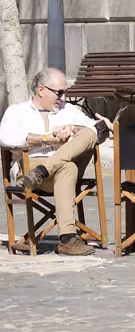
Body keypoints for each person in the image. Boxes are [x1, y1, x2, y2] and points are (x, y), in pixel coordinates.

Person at [0, 68, 100, 256]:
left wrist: (73, 129)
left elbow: (94, 130)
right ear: (41, 89)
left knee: (88, 134)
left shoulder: (68, 110)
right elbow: (5, 138)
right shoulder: (17, 111)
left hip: (53, 172)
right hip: (29, 171)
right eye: (59, 92)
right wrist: (47, 138)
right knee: (67, 166)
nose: (63, 97)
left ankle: (43, 169)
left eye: (65, 92)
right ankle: (68, 239)